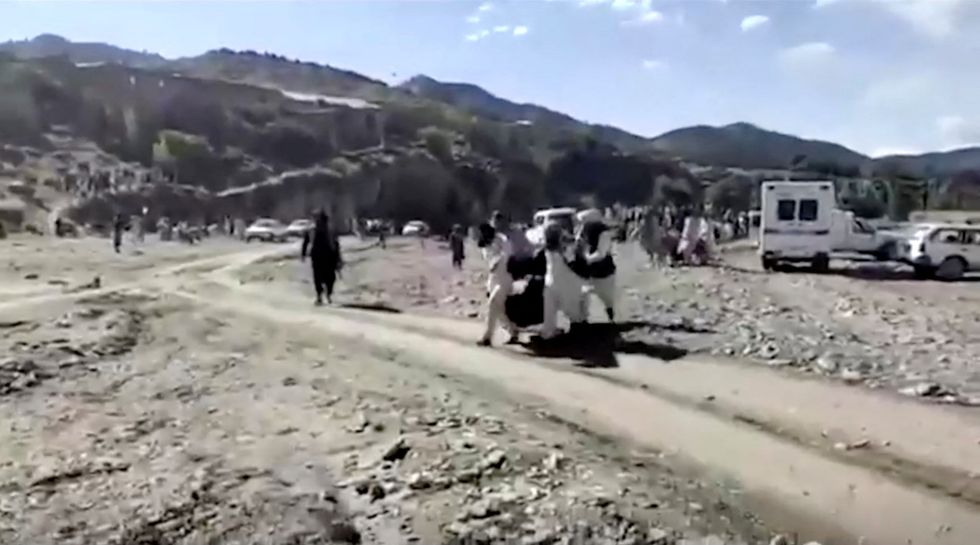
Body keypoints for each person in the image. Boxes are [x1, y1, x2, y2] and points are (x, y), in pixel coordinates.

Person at [541, 221, 588, 339]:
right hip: (565, 283)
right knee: (577, 314)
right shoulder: (565, 249)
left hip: (550, 284)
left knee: (549, 316)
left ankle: (549, 332)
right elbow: (573, 264)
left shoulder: (546, 249)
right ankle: (578, 324)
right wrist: (579, 248)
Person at [476, 222, 518, 346]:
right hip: (493, 278)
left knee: (493, 304)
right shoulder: (484, 245)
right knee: (499, 310)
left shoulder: (501, 240)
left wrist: (498, 260)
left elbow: (508, 253)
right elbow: (488, 262)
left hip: (504, 277)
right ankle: (513, 331)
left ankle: (487, 337)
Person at [574, 208, 616, 322]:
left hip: (603, 270)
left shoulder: (603, 233)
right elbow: (579, 244)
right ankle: (582, 319)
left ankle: (610, 312)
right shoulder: (583, 230)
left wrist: (587, 259)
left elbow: (601, 253)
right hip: (587, 271)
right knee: (582, 294)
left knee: (606, 297)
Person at [302, 211, 343, 306]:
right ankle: (320, 295)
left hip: (328, 256)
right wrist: (303, 254)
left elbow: (336, 244)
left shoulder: (330, 231)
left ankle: (327, 294)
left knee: (329, 277)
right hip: (318, 256)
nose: (319, 222)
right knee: (319, 277)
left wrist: (338, 257)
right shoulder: (312, 230)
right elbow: (306, 242)